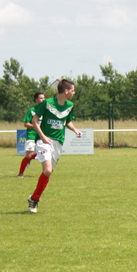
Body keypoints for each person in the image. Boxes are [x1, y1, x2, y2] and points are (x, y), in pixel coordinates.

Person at [26, 79, 82, 213]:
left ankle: (33, 197)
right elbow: (34, 120)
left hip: (58, 143)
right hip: (44, 141)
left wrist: (75, 130)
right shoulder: (47, 103)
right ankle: (34, 201)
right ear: (66, 91)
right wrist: (43, 137)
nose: (74, 93)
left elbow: (67, 121)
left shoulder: (70, 105)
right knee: (47, 170)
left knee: (48, 173)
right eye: (73, 90)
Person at [18, 91, 45, 176]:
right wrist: (36, 126)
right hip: (32, 135)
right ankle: (20, 173)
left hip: (42, 136)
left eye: (44, 98)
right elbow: (26, 124)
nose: (43, 100)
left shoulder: (46, 111)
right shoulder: (32, 110)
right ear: (36, 100)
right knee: (29, 155)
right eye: (41, 98)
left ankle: (46, 173)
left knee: (43, 154)